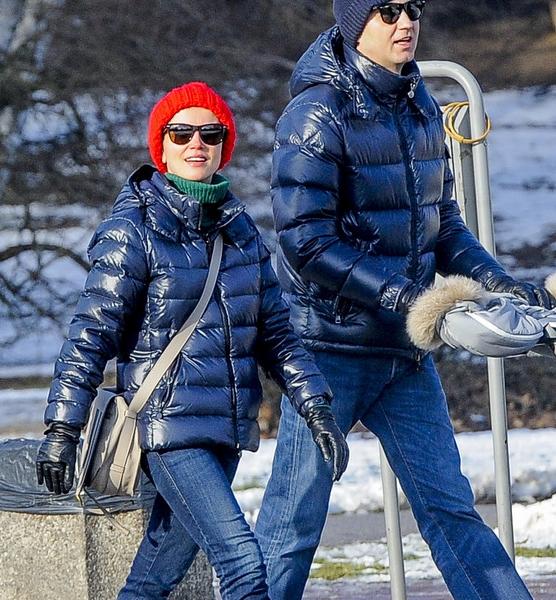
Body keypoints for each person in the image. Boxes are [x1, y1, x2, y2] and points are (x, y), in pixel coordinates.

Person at [254, 2, 555, 599]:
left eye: (413, 8)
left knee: (451, 510)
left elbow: (442, 225)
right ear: (353, 22)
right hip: (328, 350)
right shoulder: (316, 114)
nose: (405, 23)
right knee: (292, 526)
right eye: (387, 10)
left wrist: (499, 283)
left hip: (403, 351)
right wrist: (408, 297)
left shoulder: (420, 104)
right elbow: (306, 242)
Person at [34, 81, 350, 600]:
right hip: (168, 429)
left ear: (225, 145)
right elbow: (90, 336)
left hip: (226, 430)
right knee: (244, 564)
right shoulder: (133, 228)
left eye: (211, 132)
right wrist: (62, 428)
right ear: (162, 146)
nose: (196, 143)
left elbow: (278, 335)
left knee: (153, 580)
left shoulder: (240, 230)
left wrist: (316, 406)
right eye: (181, 133)